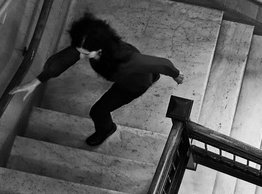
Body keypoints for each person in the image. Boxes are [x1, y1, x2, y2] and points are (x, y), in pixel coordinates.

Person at [10, 12, 184, 146]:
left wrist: (177, 75)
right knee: (147, 73)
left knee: (97, 111)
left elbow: (163, 63)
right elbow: (63, 60)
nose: (81, 55)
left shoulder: (128, 60)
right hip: (133, 74)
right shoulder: (99, 43)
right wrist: (36, 81)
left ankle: (107, 129)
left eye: (84, 53)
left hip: (131, 86)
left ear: (98, 50)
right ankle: (152, 76)